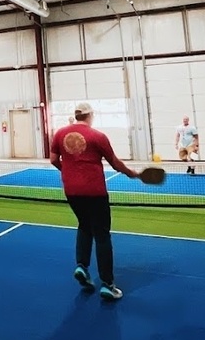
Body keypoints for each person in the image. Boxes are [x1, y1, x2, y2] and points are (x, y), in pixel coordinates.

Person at [50, 102, 140, 300]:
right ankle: (107, 284)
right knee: (101, 235)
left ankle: (82, 265)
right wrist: (131, 173)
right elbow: (115, 163)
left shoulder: (59, 134)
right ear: (90, 116)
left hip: (72, 191)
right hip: (95, 192)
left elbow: (53, 159)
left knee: (84, 226)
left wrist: (68, 171)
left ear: (76, 115)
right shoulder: (98, 136)